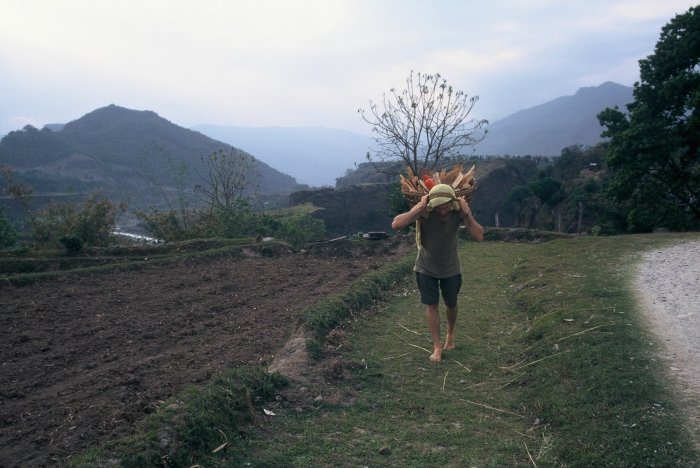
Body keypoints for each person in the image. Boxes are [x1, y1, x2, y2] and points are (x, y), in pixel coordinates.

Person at [391, 183, 484, 362]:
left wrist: (467, 214)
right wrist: (418, 207)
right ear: (433, 204)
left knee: (451, 303)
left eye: (446, 205)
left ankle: (450, 334)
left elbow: (479, 236)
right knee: (431, 305)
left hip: (451, 268)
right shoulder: (424, 213)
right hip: (426, 267)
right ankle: (436, 347)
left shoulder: (459, 213)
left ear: (452, 202)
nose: (443, 210)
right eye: (439, 206)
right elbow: (396, 224)